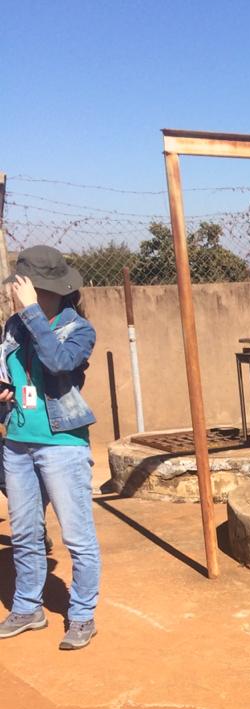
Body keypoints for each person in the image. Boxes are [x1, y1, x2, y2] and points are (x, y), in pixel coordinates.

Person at [0, 246, 101, 650]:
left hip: (62, 444)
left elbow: (59, 363)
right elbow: (12, 371)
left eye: (24, 287)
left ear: (47, 289)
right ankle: (28, 607)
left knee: (77, 536)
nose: (16, 293)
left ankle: (82, 614)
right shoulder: (14, 326)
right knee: (25, 532)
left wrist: (30, 312)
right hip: (17, 442)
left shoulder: (79, 329)